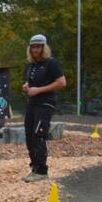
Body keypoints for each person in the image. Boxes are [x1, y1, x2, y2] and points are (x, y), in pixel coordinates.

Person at [22, 34, 66, 182]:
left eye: (38, 47)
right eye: (33, 47)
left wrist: (39, 90)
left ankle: (42, 171)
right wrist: (27, 86)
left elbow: (62, 82)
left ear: (44, 48)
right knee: (29, 135)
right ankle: (34, 168)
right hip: (32, 103)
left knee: (38, 134)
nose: (35, 50)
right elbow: (31, 83)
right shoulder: (31, 65)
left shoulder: (51, 64)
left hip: (45, 103)